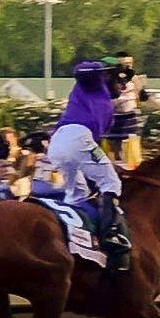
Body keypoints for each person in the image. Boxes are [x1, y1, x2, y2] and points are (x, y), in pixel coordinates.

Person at [45, 60, 130, 269]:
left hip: (63, 143)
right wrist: (104, 68)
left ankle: (76, 242)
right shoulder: (93, 82)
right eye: (121, 81)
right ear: (110, 77)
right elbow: (80, 69)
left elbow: (94, 148)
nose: (124, 87)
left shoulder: (105, 106)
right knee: (112, 184)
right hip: (76, 137)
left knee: (77, 195)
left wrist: (106, 163)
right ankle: (111, 234)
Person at [102, 53, 143, 169]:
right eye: (124, 64)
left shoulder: (134, 78)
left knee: (131, 142)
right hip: (113, 115)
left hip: (130, 115)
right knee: (111, 145)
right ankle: (110, 167)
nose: (127, 66)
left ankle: (133, 167)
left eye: (129, 64)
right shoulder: (109, 79)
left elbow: (143, 95)